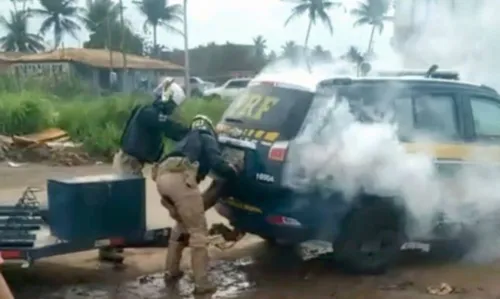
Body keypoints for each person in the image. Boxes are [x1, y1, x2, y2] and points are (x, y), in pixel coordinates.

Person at [99, 77, 190, 262]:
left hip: (131, 162)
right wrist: (195, 131)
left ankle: (113, 246)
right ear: (166, 100)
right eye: (172, 105)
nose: (173, 110)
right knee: (124, 206)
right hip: (128, 162)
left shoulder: (148, 112)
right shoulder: (150, 114)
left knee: (126, 205)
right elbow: (172, 129)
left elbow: (166, 131)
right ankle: (109, 247)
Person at [154, 114, 239, 294]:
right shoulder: (206, 136)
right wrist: (233, 170)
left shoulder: (188, 138)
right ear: (208, 127)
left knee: (182, 224)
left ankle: (172, 271)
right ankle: (202, 283)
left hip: (161, 178)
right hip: (180, 179)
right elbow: (217, 163)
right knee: (198, 232)